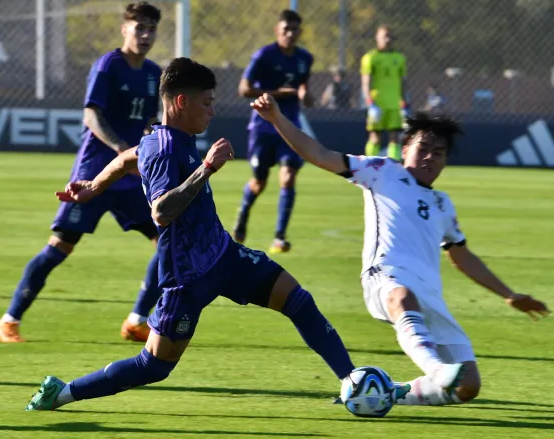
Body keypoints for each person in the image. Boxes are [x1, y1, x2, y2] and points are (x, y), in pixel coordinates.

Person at [24, 58, 361, 411]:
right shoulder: (167, 149)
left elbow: (127, 159)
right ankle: (62, 392)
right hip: (188, 278)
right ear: (182, 103)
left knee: (298, 301)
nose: (213, 112)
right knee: (153, 366)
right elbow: (161, 212)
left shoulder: (170, 138)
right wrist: (206, 169)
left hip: (225, 257)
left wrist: (94, 186)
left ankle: (352, 381)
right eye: (207, 102)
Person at [250, 94, 551, 406]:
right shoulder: (382, 171)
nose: (430, 158)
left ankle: (389, 394)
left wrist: (508, 293)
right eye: (423, 149)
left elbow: (461, 255)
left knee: (468, 387)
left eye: (439, 153)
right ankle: (435, 369)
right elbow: (320, 154)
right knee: (403, 299)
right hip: (386, 278)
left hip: (429, 295)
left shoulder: (442, 203)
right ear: (406, 148)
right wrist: (277, 119)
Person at [0, 2, 165, 343]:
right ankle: (8, 321)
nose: (145, 35)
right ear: (124, 29)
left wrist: (150, 142)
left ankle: (136, 320)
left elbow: (144, 122)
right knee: (60, 248)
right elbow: (91, 116)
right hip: (92, 177)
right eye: (139, 27)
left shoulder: (152, 73)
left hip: (129, 179)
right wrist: (119, 148)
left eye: (151, 29)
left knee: (169, 241)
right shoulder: (108, 66)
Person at [233, 9, 314, 254]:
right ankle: (244, 213)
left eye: (294, 30)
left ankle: (279, 236)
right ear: (277, 30)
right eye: (285, 29)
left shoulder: (305, 59)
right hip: (262, 128)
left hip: (289, 127)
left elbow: (302, 89)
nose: (289, 34)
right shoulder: (264, 56)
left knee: (288, 177)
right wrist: (278, 93)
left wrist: (305, 95)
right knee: (259, 182)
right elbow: (244, 89)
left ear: (299, 32)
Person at [360, 25, 407, 159]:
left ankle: (393, 169)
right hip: (377, 104)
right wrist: (370, 103)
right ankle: (369, 167)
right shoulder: (370, 57)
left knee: (395, 139)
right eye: (384, 36)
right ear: (377, 38)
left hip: (394, 105)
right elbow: (366, 82)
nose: (387, 40)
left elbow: (403, 82)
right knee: (375, 137)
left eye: (390, 36)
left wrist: (404, 102)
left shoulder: (399, 58)